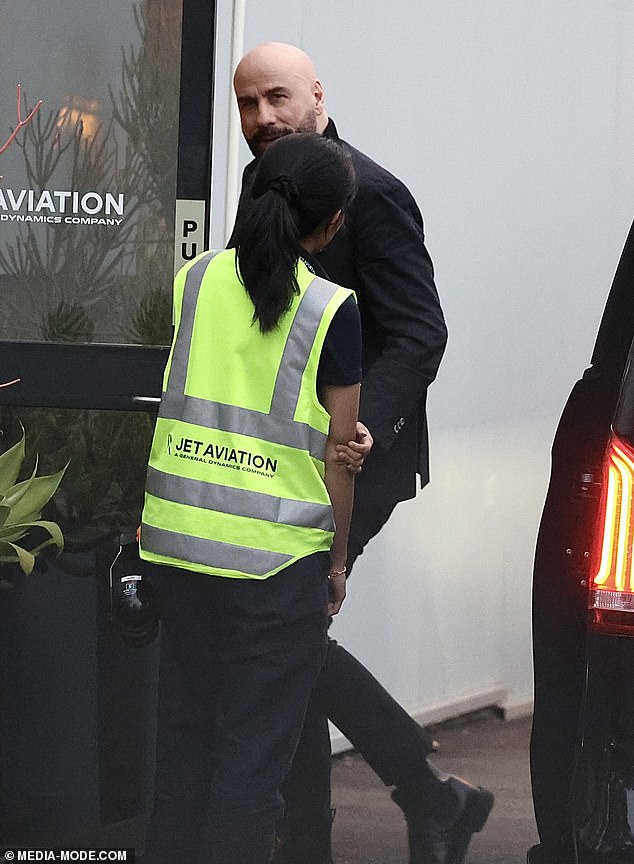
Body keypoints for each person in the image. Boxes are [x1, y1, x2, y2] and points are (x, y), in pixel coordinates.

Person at [229, 42, 494, 864]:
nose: (262, 118)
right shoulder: (261, 184)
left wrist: (361, 425)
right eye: (247, 104)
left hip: (358, 458)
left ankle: (385, 808)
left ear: (316, 96)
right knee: (290, 633)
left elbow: (422, 329)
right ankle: (418, 803)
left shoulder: (372, 192)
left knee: (286, 630)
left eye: (277, 97)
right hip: (276, 455)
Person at [138, 131, 362, 864]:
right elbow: (341, 454)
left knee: (183, 756)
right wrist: (336, 564)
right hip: (274, 569)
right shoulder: (332, 309)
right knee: (249, 771)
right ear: (329, 227)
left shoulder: (194, 280)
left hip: (177, 554)